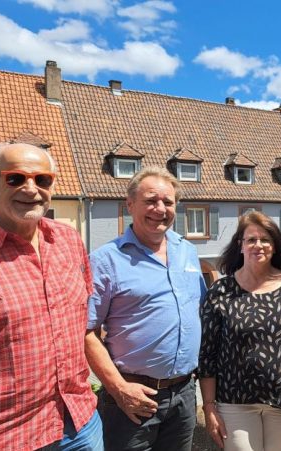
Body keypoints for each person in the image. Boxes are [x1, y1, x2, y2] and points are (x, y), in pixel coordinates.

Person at [0, 143, 102, 450]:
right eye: (15, 178)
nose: (31, 189)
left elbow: (82, 326)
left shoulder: (68, 239)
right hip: (0, 436)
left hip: (80, 423)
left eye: (42, 180)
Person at [85, 166, 207, 451]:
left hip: (184, 393)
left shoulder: (187, 250)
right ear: (130, 205)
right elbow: (85, 332)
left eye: (168, 202)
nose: (159, 209)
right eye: (150, 200)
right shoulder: (106, 260)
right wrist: (118, 389)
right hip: (131, 396)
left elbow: (200, 312)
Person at [198, 211, 281, 451]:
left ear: (274, 246)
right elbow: (207, 354)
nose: (258, 245)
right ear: (240, 246)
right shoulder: (220, 292)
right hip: (234, 402)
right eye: (251, 240)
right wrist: (209, 407)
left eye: (265, 239)